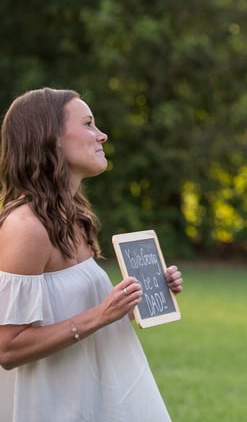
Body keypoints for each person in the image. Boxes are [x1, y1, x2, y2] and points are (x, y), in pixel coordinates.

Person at [0, 88, 184, 422]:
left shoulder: (74, 217)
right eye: (88, 124)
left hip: (102, 390)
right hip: (55, 402)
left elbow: (79, 316)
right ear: (51, 138)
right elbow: (8, 348)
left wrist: (141, 297)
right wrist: (101, 314)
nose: (102, 135)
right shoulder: (24, 228)